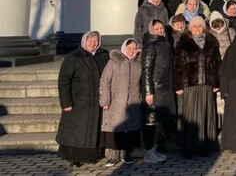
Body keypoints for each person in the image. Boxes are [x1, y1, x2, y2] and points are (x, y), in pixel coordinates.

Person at [56, 31, 109, 167]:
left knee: (93, 130)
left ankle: (91, 156)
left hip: (95, 101)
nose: (93, 44)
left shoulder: (103, 56)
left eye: (96, 41)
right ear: (84, 41)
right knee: (76, 131)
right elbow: (64, 81)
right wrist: (66, 102)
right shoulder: (73, 57)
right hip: (78, 101)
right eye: (90, 41)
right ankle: (74, 159)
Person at [174, 17, 221, 157]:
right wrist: (178, 85)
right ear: (190, 28)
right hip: (189, 85)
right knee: (190, 116)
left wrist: (216, 83)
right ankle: (189, 147)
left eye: (200, 26)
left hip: (207, 84)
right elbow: (177, 66)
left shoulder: (212, 42)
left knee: (205, 115)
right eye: (194, 26)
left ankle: (203, 146)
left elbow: (217, 64)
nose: (197, 28)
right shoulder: (183, 43)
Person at [99, 38, 142, 166]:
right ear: (124, 48)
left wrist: (139, 99)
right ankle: (114, 155)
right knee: (115, 128)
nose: (131, 51)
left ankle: (126, 153)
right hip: (116, 101)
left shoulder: (138, 64)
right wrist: (105, 100)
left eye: (134, 48)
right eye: (129, 48)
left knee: (129, 128)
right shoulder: (114, 62)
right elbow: (105, 81)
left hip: (133, 101)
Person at [141, 19, 174, 164]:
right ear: (151, 30)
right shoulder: (150, 46)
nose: (160, 31)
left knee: (159, 121)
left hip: (165, 88)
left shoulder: (165, 43)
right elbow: (146, 70)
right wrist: (149, 92)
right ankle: (148, 152)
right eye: (157, 29)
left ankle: (154, 149)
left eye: (161, 28)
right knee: (151, 122)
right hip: (155, 89)